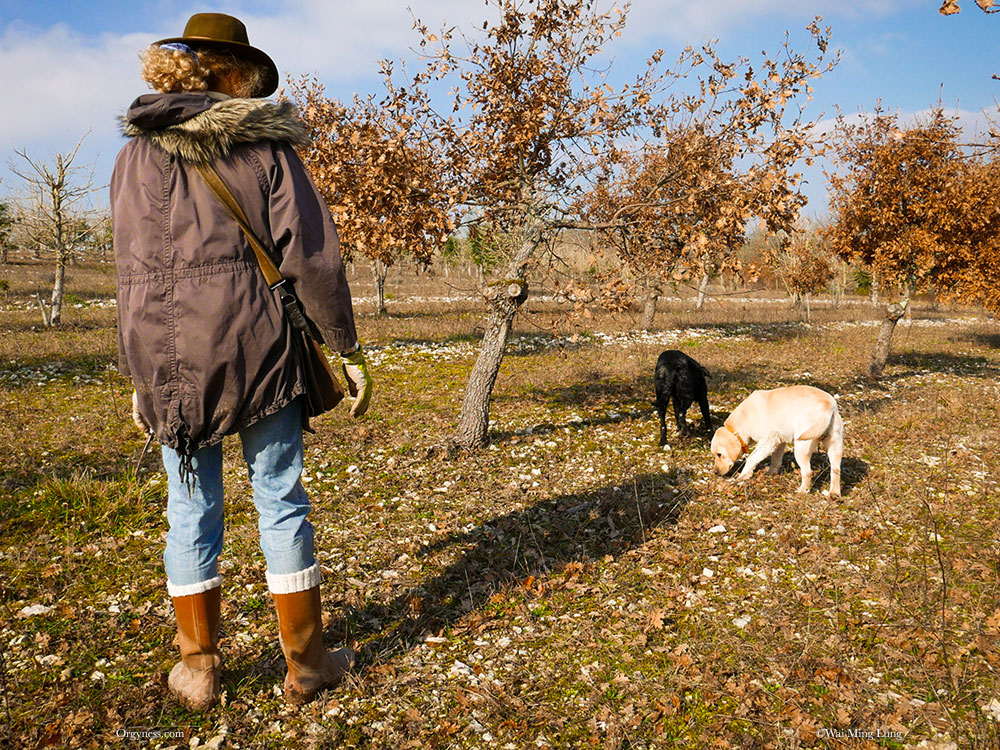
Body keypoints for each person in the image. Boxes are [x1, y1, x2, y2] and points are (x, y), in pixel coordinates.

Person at [111, 12, 372, 710]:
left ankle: (197, 671)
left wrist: (139, 372)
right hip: (257, 347)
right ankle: (309, 668)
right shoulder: (266, 149)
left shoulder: (133, 156)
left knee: (189, 509)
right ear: (235, 73)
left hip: (166, 362)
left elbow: (128, 274)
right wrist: (344, 348)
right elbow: (312, 259)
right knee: (280, 501)